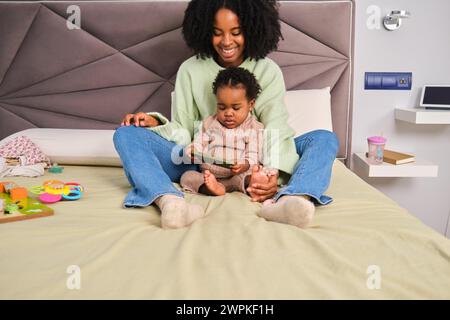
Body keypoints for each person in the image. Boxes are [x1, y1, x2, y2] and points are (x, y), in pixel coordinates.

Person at [114, 0, 338, 229]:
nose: (227, 42)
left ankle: (293, 199)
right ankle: (170, 202)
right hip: (201, 161)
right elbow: (183, 128)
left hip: (256, 159)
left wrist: (270, 174)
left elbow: (275, 128)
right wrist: (154, 123)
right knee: (125, 134)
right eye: (217, 33)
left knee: (324, 138)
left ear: (251, 29)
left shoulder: (267, 70)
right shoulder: (190, 70)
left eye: (236, 32)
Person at [180, 67, 271, 197]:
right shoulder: (210, 123)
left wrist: (244, 165)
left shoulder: (254, 128)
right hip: (209, 175)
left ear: (250, 105)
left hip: (237, 175)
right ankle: (213, 188)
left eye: (236, 108)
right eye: (222, 107)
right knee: (187, 177)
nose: (228, 113)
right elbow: (199, 141)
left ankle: (250, 184)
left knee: (250, 176)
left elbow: (253, 153)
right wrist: (193, 150)